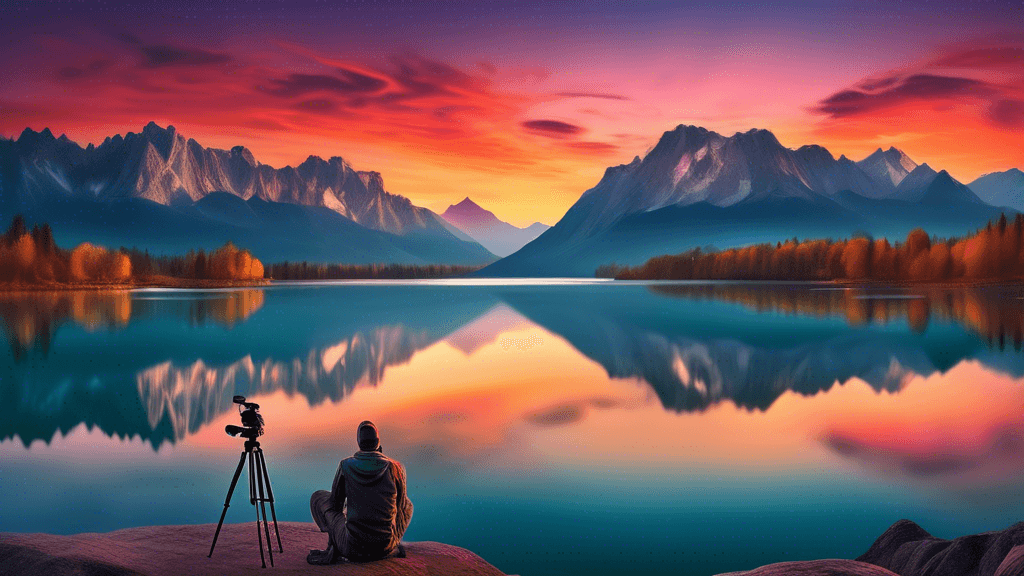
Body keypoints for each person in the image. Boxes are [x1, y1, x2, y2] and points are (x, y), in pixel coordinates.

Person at [307, 421, 413, 565]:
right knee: (407, 506)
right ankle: (393, 544)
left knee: (319, 498)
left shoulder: (346, 465)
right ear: (378, 443)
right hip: (385, 546)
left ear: (359, 443)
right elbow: (400, 506)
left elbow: (335, 505)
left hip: (352, 548)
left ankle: (333, 548)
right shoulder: (395, 468)